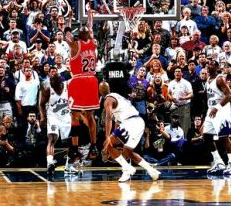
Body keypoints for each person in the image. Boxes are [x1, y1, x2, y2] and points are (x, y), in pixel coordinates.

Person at [100, 81, 160, 182]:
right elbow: (117, 122)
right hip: (139, 122)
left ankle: (127, 169)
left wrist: (107, 136)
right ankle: (151, 170)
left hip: (130, 122)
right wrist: (114, 135)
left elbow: (108, 118)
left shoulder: (108, 100)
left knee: (107, 143)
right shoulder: (117, 96)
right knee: (127, 152)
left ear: (99, 91)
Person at [66, 21, 99, 160]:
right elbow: (90, 28)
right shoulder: (93, 43)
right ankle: (94, 146)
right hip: (92, 80)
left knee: (75, 116)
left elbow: (66, 34)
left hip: (79, 80)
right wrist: (90, 16)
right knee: (90, 116)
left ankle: (74, 149)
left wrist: (68, 22)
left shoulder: (75, 45)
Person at [202, 60, 231, 175]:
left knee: (224, 138)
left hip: (221, 111)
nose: (208, 65)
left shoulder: (219, 79)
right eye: (208, 64)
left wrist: (217, 107)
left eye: (211, 64)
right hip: (211, 110)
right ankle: (219, 162)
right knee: (206, 136)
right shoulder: (208, 79)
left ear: (216, 67)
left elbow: (229, 96)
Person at [39, 72, 71, 176]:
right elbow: (41, 104)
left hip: (66, 116)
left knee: (70, 141)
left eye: (53, 82)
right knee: (51, 139)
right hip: (53, 116)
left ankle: (68, 165)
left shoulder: (68, 86)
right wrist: (43, 116)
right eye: (50, 82)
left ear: (60, 82)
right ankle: (49, 163)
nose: (51, 84)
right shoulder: (48, 89)